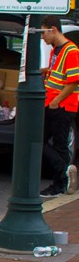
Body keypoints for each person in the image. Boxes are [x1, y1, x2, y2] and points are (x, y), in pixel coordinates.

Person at [39, 16, 79, 198]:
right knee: (45, 142)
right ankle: (63, 178)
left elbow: (72, 82)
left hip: (62, 105)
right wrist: (46, 72)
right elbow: (59, 74)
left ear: (53, 29)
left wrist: (57, 101)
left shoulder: (71, 51)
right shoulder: (56, 49)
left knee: (58, 144)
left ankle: (61, 180)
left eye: (43, 32)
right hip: (53, 103)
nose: (42, 37)